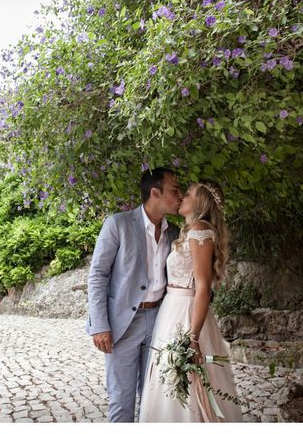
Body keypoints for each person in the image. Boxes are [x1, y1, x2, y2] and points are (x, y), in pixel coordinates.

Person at [139, 181, 243, 422]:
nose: (182, 197)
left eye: (187, 194)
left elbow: (203, 287)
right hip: (172, 309)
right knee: (170, 378)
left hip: (185, 313)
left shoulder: (199, 231)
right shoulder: (189, 231)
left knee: (189, 382)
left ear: (201, 202)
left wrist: (193, 337)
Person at [86, 167, 183, 422]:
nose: (180, 196)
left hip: (161, 322)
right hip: (123, 325)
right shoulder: (118, 224)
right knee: (121, 401)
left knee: (154, 400)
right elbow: (97, 274)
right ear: (155, 193)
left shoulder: (174, 233)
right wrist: (99, 324)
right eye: (175, 190)